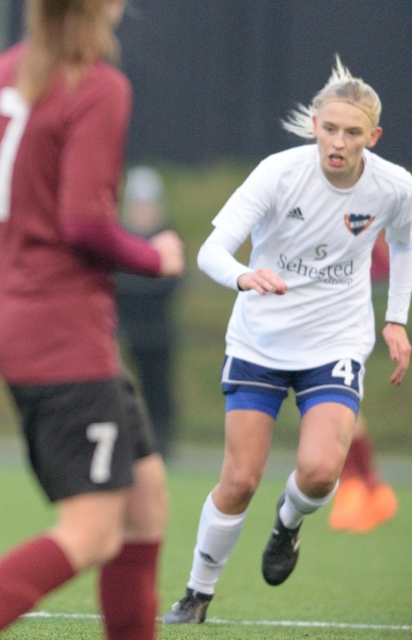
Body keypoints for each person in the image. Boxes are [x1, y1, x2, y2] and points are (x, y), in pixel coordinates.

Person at [0, 0, 185, 637]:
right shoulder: (98, 87)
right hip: (63, 336)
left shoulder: (0, 74)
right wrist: (155, 256)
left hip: (31, 324)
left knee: (146, 502)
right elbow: (83, 223)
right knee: (92, 532)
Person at [162, 57, 412, 624]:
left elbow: (402, 244)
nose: (339, 143)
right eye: (331, 129)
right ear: (315, 126)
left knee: (321, 471)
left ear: (373, 137)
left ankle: (288, 522)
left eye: (353, 133)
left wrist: (395, 319)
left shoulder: (394, 186)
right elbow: (212, 251)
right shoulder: (278, 174)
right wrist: (244, 276)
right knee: (239, 480)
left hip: (336, 342)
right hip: (261, 342)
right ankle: (197, 595)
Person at [328, 232, 399, 532]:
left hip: (345, 321)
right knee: (346, 408)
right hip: (330, 319)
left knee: (340, 405)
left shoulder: (357, 220)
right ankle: (370, 487)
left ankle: (358, 488)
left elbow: (386, 263)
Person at [114, 166, 180, 458]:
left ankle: (162, 445)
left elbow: (172, 282)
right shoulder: (119, 239)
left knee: (158, 390)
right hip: (122, 331)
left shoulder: (168, 239)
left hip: (157, 332)